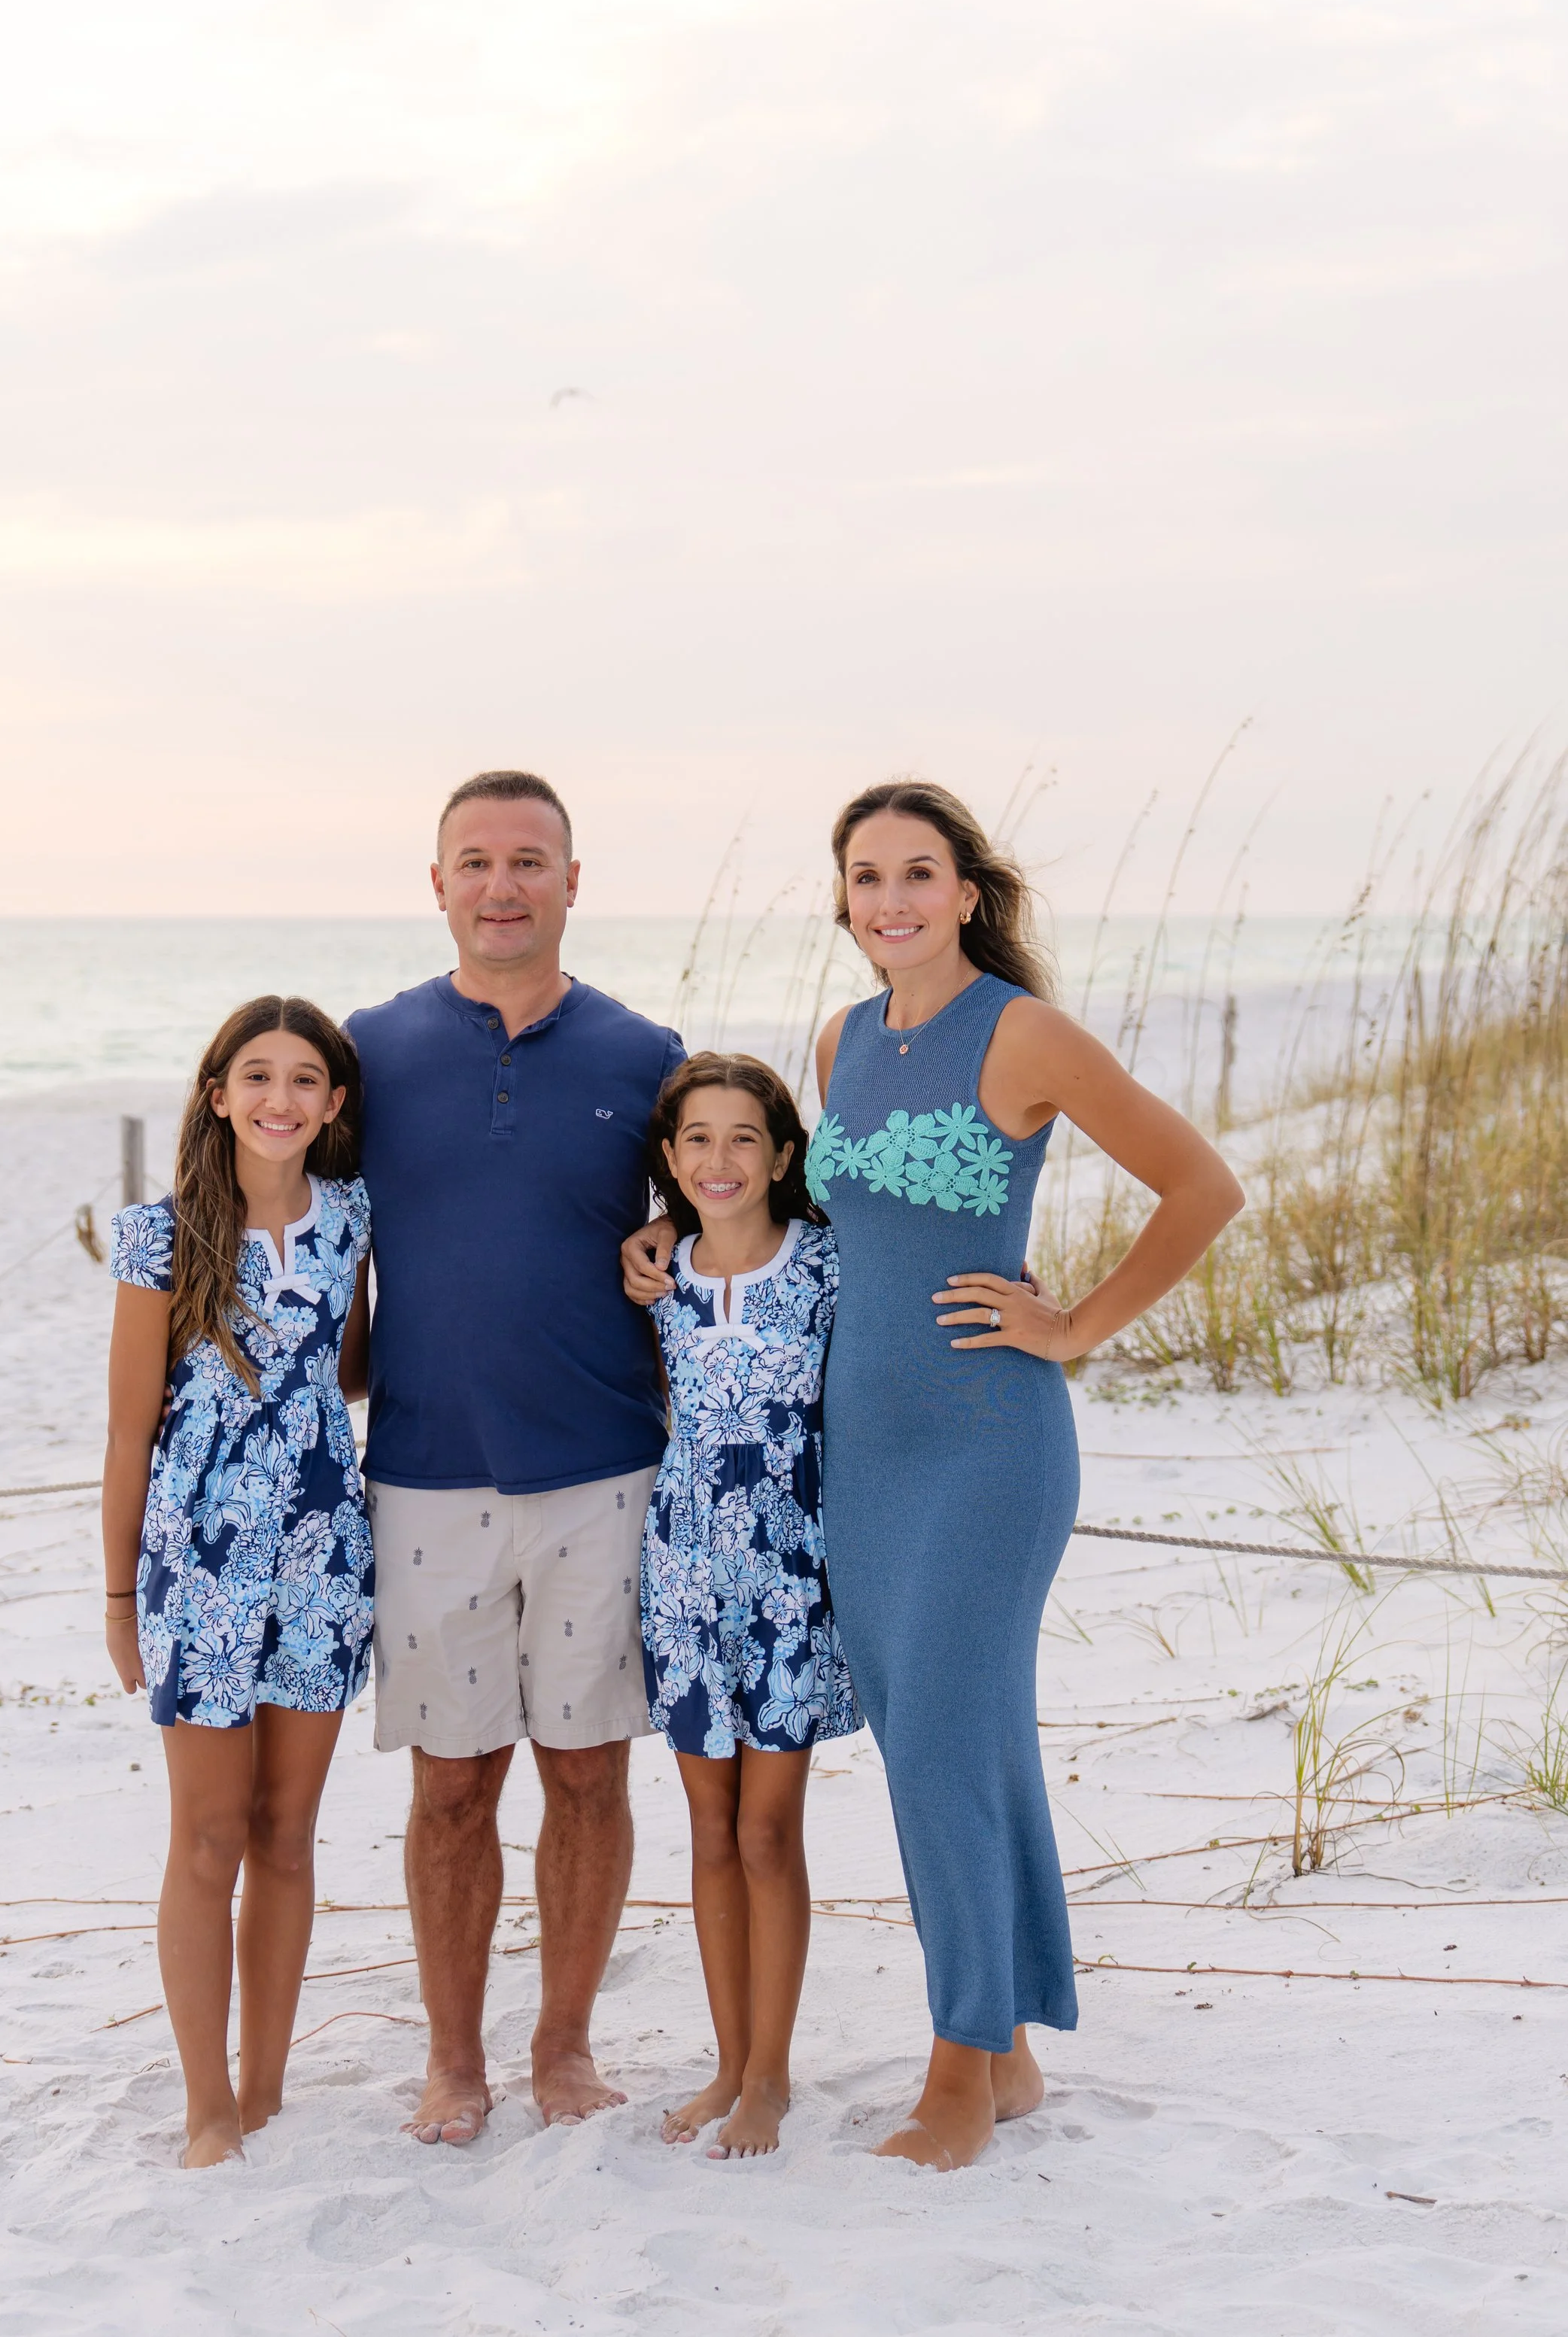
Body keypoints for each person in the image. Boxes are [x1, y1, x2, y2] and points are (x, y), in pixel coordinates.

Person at [625, 780, 1242, 2172]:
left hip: (985, 1441)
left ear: (969, 891)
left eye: (919, 873)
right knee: (935, 1747)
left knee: (952, 1750)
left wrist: (1074, 1326)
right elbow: (808, 1227)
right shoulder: (842, 1042)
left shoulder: (1023, 1033)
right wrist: (669, 1246)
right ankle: (1007, 2047)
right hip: (862, 1450)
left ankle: (960, 2070)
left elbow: (1202, 1186)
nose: (891, 900)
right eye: (865, 878)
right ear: (843, 902)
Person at [345, 770, 685, 2146]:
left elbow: (715, 1223)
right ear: (437, 885)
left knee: (590, 1772)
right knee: (449, 1784)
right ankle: (451, 2060)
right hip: (425, 1468)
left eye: (529, 861)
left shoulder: (645, 1052)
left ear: (572, 881)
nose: (503, 885)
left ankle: (562, 2049)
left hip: (606, 1466)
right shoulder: (368, 1050)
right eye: (475, 862)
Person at [101, 995, 372, 2169]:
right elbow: (127, 1435)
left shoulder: (355, 1217)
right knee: (209, 1836)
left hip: (325, 1560)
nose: (279, 1099)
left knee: (289, 1831)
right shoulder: (157, 1238)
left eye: (304, 1078)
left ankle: (267, 2083)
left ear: (335, 1103)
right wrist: (120, 1602)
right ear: (217, 1095)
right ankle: (207, 2105)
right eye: (255, 1076)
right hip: (200, 1568)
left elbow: (349, 1370)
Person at [639, 1053, 857, 2161]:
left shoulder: (828, 1264)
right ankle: (727, 2061)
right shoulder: (657, 1269)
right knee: (710, 1833)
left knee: (769, 1832)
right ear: (669, 1161)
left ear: (782, 1155)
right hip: (682, 1578)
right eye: (695, 1140)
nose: (718, 1160)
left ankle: (771, 2075)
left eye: (742, 1139)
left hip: (791, 1580)